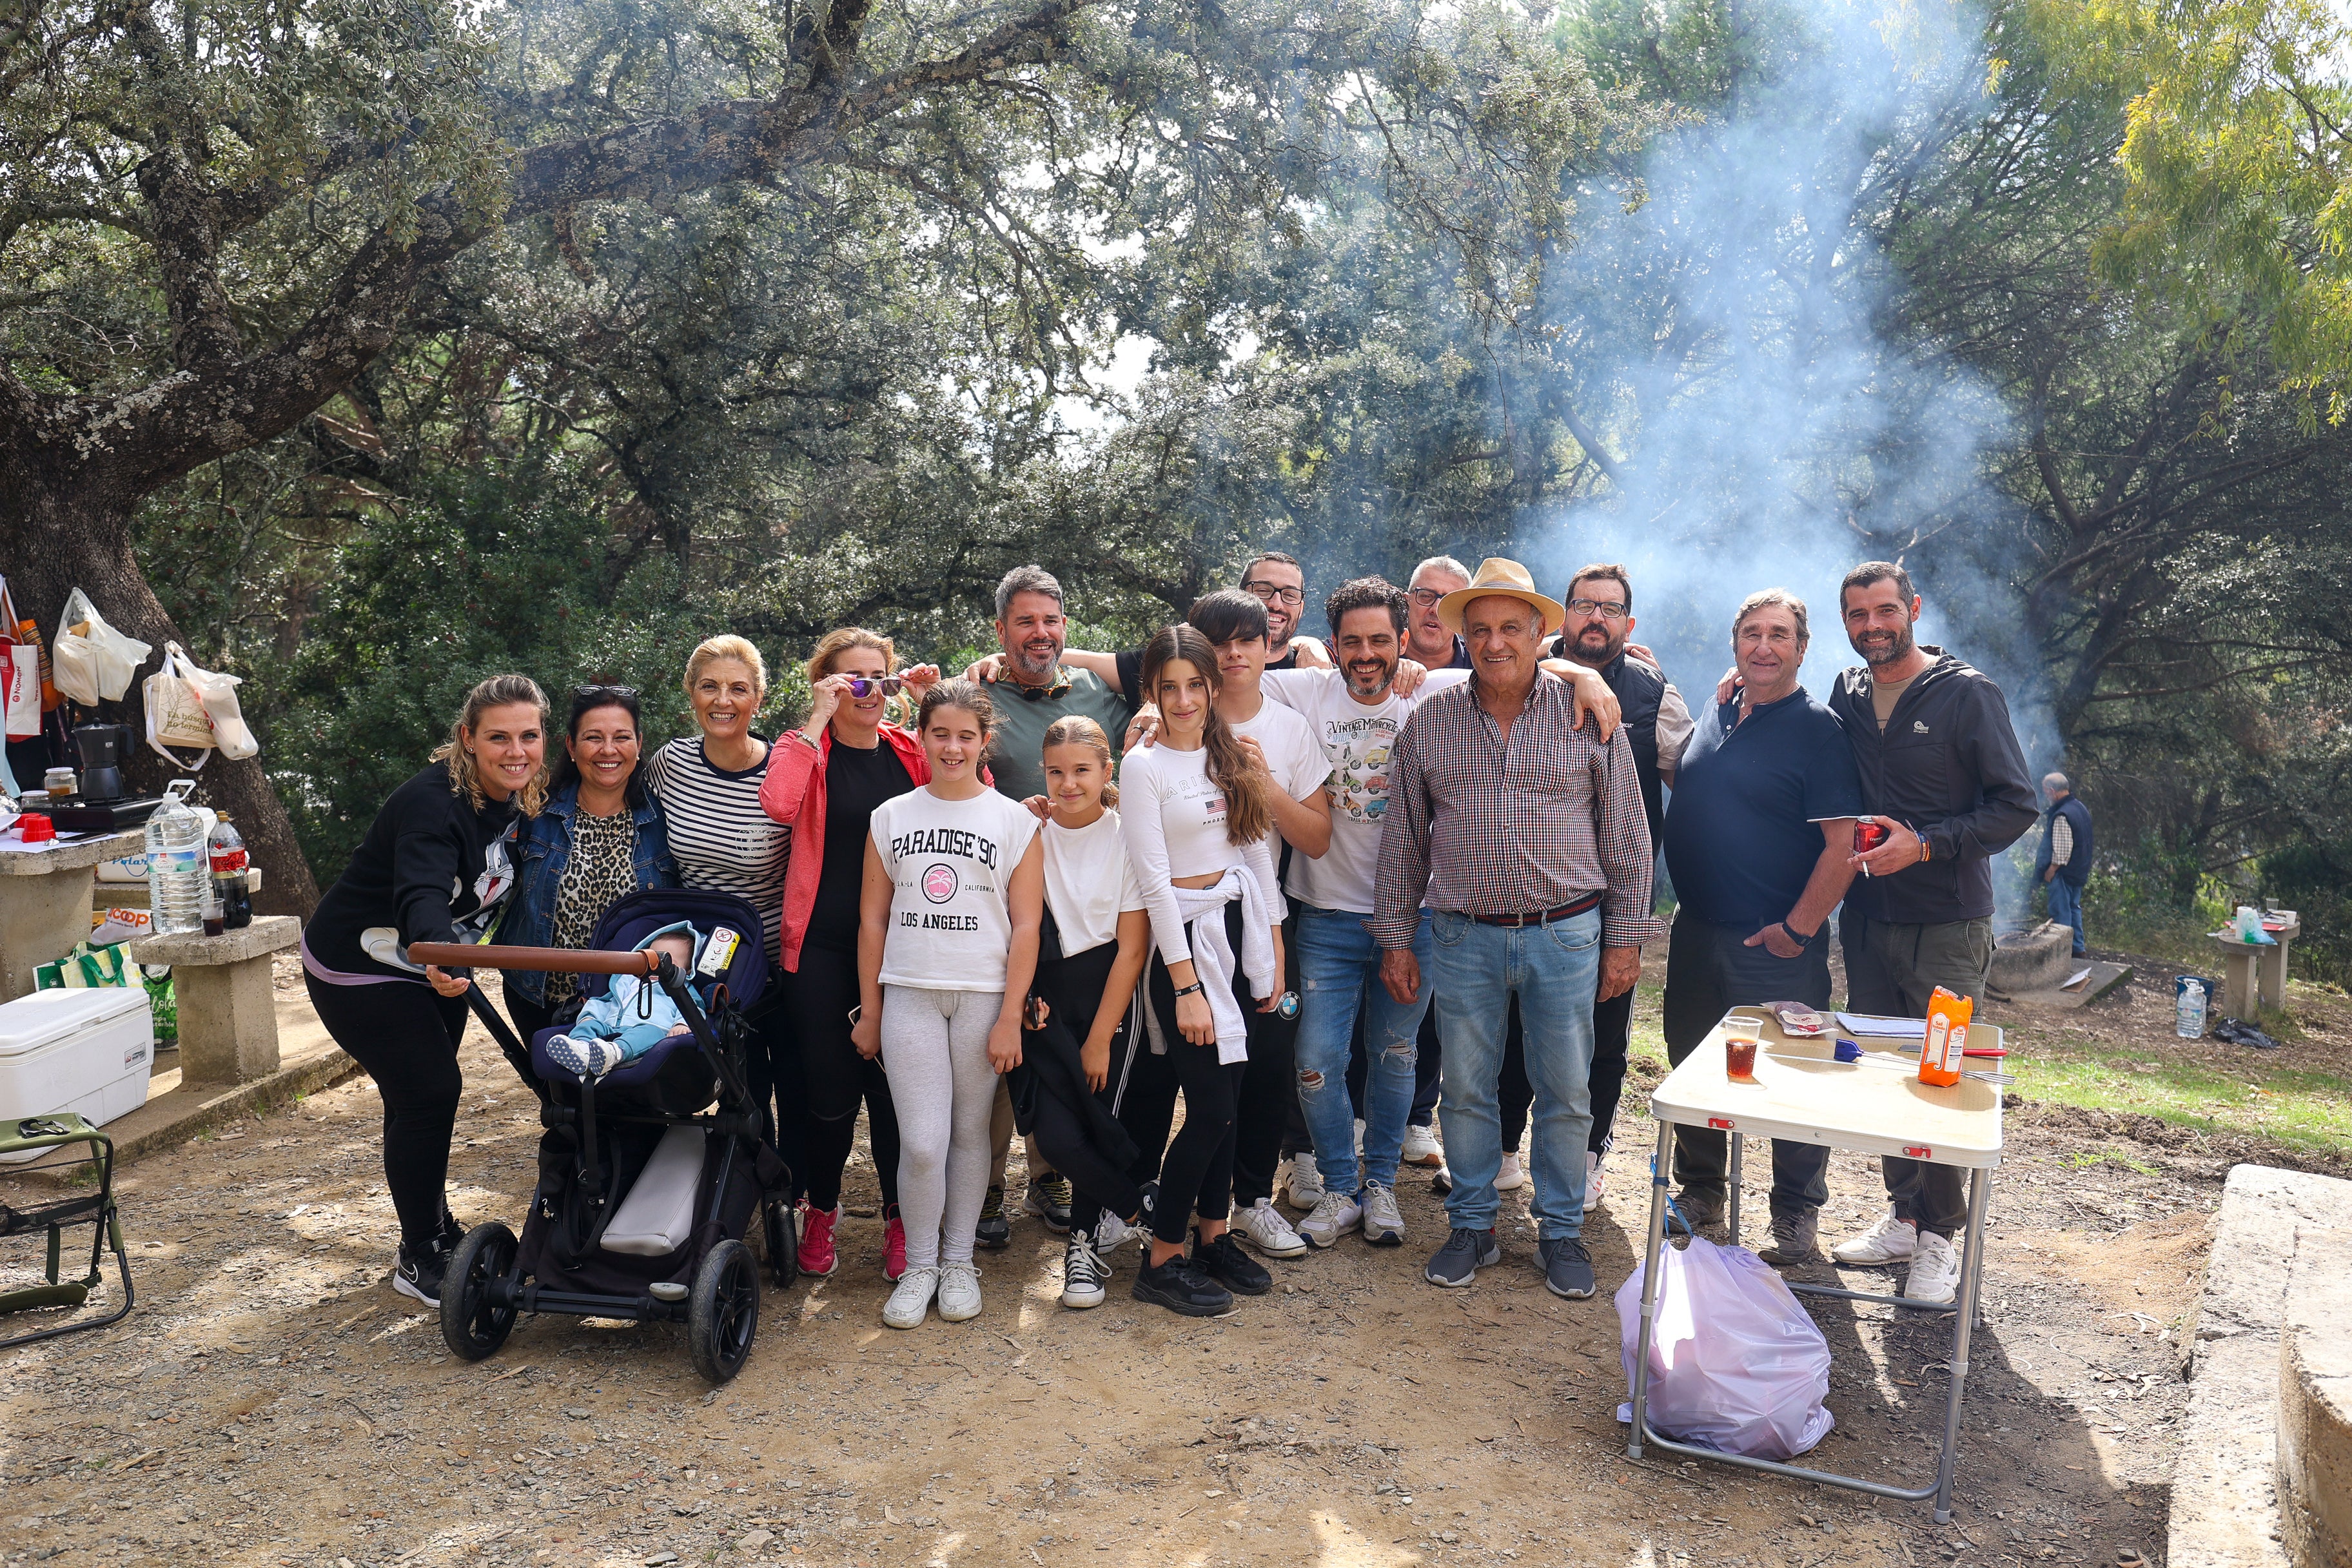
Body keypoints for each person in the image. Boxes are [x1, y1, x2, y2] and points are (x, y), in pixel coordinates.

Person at [1374, 559, 1658, 1301]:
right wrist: (1396, 937)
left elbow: (1628, 834)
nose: (1495, 642)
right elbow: (1404, 839)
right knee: (1467, 1088)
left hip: (1566, 933)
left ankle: (1561, 1230)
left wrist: (1626, 937)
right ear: (1464, 637)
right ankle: (1472, 1224)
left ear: (1541, 633)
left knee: (1566, 1089)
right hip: (1462, 934)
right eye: (1481, 629)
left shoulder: (1587, 713)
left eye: (1510, 627)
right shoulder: (1431, 722)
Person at [1824, 562, 2037, 1304]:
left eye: (1886, 610)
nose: (1873, 625)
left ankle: (1943, 1237)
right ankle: (1906, 1217)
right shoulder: (1846, 694)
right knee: (1886, 1073)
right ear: (1845, 623)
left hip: (1949, 923)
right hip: (1869, 918)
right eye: (1858, 615)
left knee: (1941, 1075)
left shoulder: (1967, 693)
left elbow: (2017, 806)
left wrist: (1928, 842)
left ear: (1913, 609)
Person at [300, 674, 545, 1306]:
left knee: (420, 1095)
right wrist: (437, 948)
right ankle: (421, 1253)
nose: (515, 749)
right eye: (498, 737)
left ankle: (435, 1229)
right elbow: (421, 890)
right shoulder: (434, 804)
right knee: (431, 1089)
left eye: (528, 734)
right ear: (468, 738)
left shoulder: (524, 793)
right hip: (362, 963)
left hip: (438, 963)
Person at [1260, 579, 1468, 1251]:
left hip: (1414, 918)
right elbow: (1211, 672)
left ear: (1403, 640)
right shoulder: (1303, 691)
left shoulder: (1433, 691)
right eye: (1353, 641)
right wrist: (1150, 713)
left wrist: (1586, 675)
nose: (1368, 654)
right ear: (1333, 645)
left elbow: (1528, 663)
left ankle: (1379, 1185)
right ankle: (1340, 1187)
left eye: (1381, 640)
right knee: (1316, 1058)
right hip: (1325, 915)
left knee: (1395, 1054)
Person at [1659, 589, 1861, 1263]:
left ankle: (1796, 1213)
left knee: (1793, 1078)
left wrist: (1797, 931)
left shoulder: (1818, 729)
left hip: (1774, 944)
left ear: (1802, 648)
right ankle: (1702, 1191)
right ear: (1735, 643)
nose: (1764, 645)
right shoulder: (1721, 711)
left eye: (1780, 634)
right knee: (1692, 1065)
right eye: (1752, 632)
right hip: (1697, 933)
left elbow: (1843, 846)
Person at [854, 680, 1045, 1329]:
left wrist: (1010, 1012)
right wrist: (871, 1009)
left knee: (970, 1134)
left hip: (983, 995)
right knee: (925, 1141)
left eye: (967, 735)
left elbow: (1026, 926)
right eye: (942, 733)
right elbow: (872, 921)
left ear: (984, 739)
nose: (954, 746)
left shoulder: (1015, 820)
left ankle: (960, 1260)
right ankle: (920, 1265)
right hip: (909, 989)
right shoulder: (891, 816)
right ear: (921, 735)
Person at [760, 629, 941, 1282]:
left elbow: (975, 793)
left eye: (879, 678)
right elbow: (778, 803)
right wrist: (815, 717)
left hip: (909, 945)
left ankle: (902, 1220)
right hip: (823, 949)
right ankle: (822, 1207)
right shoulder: (808, 750)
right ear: (828, 685)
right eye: (851, 680)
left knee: (898, 1092)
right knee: (829, 1092)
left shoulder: (909, 750)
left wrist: (929, 707)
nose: (868, 691)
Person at [1119, 625, 1286, 1316]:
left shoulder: (1230, 755)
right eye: (1170, 687)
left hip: (1240, 930)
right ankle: (1161, 1258)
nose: (1184, 699)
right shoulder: (1144, 766)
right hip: (1184, 944)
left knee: (1235, 1100)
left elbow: (1252, 852)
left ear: (1214, 688)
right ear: (1152, 693)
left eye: (1196, 684)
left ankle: (1212, 1234)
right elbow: (1155, 884)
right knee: (1211, 1108)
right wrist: (1184, 985)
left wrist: (1273, 946)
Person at [1513, 564, 1692, 1204]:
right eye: (1585, 605)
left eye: (1611, 609)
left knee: (1605, 1032)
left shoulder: (1656, 692)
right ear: (1562, 615)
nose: (1597, 618)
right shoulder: (1517, 668)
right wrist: (1567, 667)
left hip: (1613, 894)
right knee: (1512, 1028)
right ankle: (1507, 1148)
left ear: (1629, 623)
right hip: (1526, 885)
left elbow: (1695, 783)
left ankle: (1586, 1158)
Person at [966, 566, 1123, 1244]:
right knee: (1000, 1043)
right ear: (1000, 630)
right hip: (997, 897)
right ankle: (985, 1186)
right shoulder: (978, 695)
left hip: (1083, 899)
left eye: (1051, 620)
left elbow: (1183, 679)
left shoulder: (1102, 691)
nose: (1041, 633)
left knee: (1056, 1040)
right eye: (1025, 621)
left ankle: (1050, 1175)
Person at [1182, 590, 1330, 1263]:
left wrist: (1264, 783)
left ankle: (1254, 1199)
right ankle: (1192, 1199)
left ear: (1268, 644)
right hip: (1186, 919)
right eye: (1219, 640)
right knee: (1207, 1069)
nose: (1234, 652)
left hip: (1267, 916)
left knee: (1271, 1057)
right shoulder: (1173, 718)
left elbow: (1319, 837)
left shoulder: (1292, 728)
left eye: (1247, 638)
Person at [1012, 716, 1156, 1309]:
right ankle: (1144, 1208)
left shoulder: (1128, 836)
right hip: (1046, 1007)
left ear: (1106, 772)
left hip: (1108, 1004)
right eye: (1056, 772)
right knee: (1056, 1137)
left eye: (1081, 771)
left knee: (1098, 1127)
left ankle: (1083, 1251)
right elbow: (1017, 928)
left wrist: (1100, 1038)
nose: (1068, 784)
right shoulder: (1027, 833)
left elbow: (1132, 949)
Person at [645, 636, 790, 1140]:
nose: (722, 700)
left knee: (791, 1088)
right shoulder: (671, 765)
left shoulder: (784, 770)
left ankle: (793, 1197)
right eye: (709, 686)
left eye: (738, 689)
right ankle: (740, 1194)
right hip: (702, 967)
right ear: (691, 694)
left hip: (777, 964)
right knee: (736, 1090)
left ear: (759, 699)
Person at [499, 683, 680, 1043]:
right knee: (560, 1096)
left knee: (627, 1099)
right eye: (593, 737)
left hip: (634, 1004)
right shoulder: (534, 812)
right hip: (540, 996)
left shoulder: (665, 819)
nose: (608, 750)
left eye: (621, 737)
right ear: (571, 745)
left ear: (639, 744)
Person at [541, 925, 711, 1078]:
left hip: (652, 1033)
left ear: (687, 970)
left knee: (647, 1033)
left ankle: (615, 1052)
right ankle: (580, 1049)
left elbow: (693, 1007)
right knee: (588, 1026)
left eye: (666, 963)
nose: (656, 967)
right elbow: (604, 1002)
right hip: (610, 1028)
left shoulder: (680, 989)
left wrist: (681, 1025)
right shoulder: (626, 982)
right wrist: (589, 1017)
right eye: (651, 960)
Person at [2037, 772, 2093, 958]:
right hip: (2079, 871)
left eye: (2046, 792)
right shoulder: (2080, 808)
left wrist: (2051, 871)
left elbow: (2062, 853)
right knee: (2073, 909)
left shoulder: (2062, 814)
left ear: (2052, 791)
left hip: (2063, 873)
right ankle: (2078, 949)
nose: (2046, 796)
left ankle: (2062, 955)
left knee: (2061, 914)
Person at [1402, 556, 1474, 671]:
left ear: (1463, 618)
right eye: (1426, 596)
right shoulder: (1376, 663)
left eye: (1449, 602)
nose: (1435, 610)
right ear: (1405, 603)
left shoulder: (1482, 671)